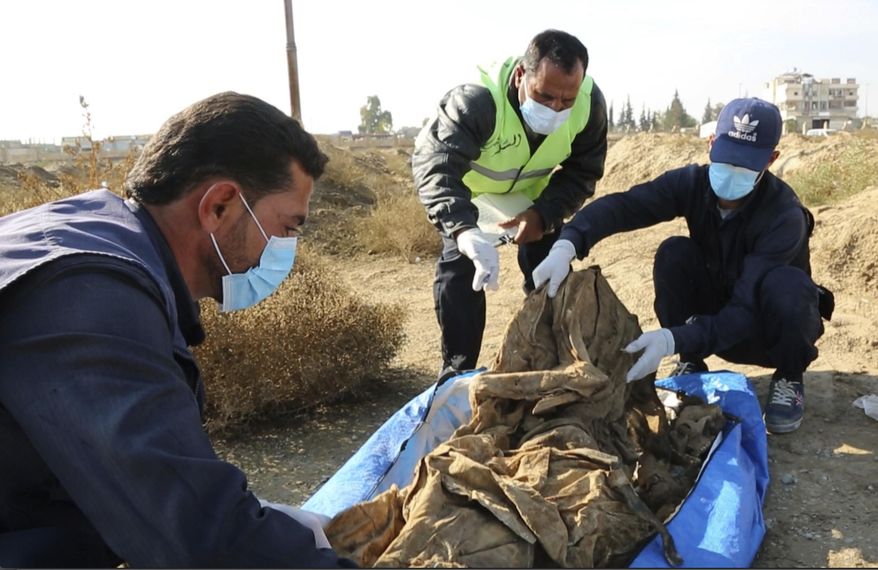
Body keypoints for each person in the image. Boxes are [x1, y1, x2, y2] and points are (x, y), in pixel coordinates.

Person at [0, 92, 355, 567]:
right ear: (220, 206)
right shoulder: (91, 297)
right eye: (288, 227)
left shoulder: (87, 235)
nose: (287, 250)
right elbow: (197, 539)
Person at [532, 97, 833, 435]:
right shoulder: (692, 184)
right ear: (711, 143)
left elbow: (745, 310)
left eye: (745, 165)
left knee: (788, 286)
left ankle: (790, 375)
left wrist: (671, 339)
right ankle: (691, 358)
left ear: (771, 159)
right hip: (711, 321)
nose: (732, 172)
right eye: (726, 158)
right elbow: (627, 205)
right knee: (674, 252)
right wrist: (567, 243)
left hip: (764, 331)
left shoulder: (783, 215)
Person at [413, 29, 608, 381]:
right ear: (521, 75)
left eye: (567, 100)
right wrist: (463, 230)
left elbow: (583, 172)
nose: (556, 109)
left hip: (532, 194)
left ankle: (550, 358)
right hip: (471, 197)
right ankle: (457, 372)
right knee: (462, 271)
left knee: (550, 270)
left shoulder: (589, 104)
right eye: (545, 96)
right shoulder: (476, 102)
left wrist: (543, 215)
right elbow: (435, 166)